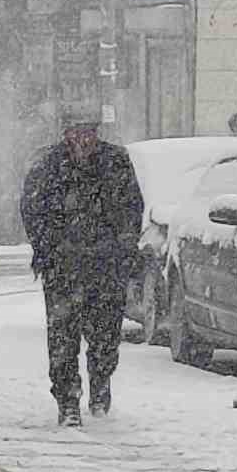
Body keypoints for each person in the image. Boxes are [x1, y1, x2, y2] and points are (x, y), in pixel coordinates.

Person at [19, 112, 144, 427]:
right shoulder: (48, 166)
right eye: (76, 133)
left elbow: (132, 206)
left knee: (105, 336)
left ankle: (100, 385)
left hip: (106, 267)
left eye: (88, 133)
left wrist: (123, 248)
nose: (83, 140)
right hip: (63, 267)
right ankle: (68, 400)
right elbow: (32, 210)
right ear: (66, 135)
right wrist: (46, 249)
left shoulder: (116, 162)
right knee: (62, 336)